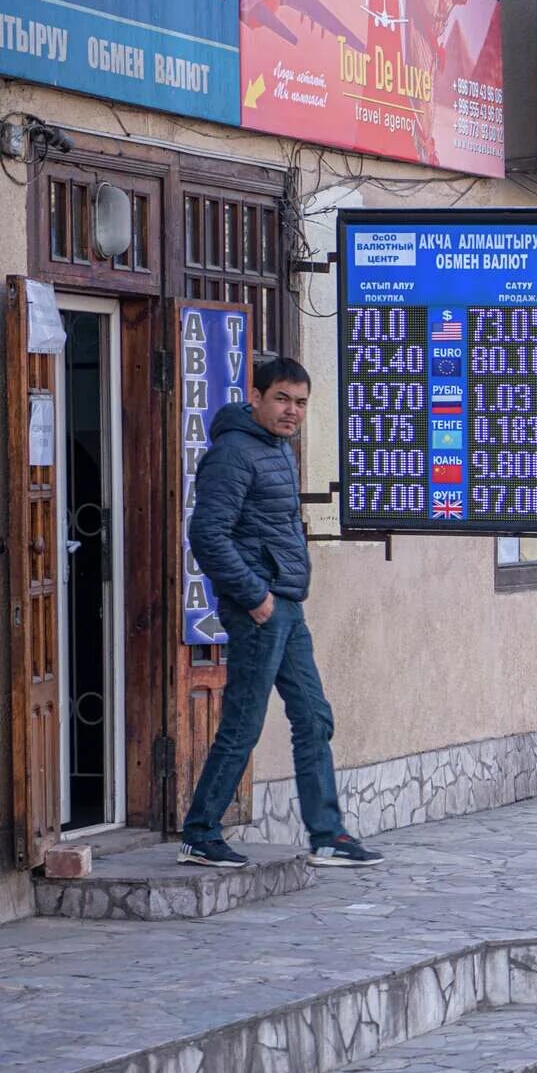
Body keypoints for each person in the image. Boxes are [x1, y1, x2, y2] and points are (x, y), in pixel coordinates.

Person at [182, 358, 382, 870]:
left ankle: (326, 835)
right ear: (256, 397)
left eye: (300, 403)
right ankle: (201, 832)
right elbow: (207, 534)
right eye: (282, 399)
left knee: (314, 718)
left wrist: (278, 598)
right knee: (244, 722)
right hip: (260, 607)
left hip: (286, 605)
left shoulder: (277, 450)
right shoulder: (233, 453)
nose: (292, 411)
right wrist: (255, 596)